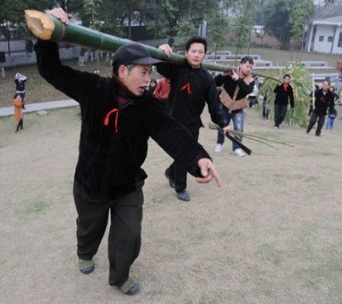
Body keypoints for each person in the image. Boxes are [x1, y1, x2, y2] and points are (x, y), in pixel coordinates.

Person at [35, 8, 222, 296]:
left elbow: (171, 131)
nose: (148, 78)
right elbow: (51, 70)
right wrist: (48, 36)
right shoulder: (93, 89)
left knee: (130, 235)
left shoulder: (148, 105)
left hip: (127, 186)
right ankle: (85, 252)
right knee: (89, 227)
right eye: (143, 72)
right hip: (90, 183)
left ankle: (120, 275)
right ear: (122, 71)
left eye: (150, 71)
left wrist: (199, 159)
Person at [156, 36, 227, 202]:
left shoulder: (207, 78)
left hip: (192, 124)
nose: (196, 55)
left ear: (204, 55)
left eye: (200, 52)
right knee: (182, 153)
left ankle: (175, 179)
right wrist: (161, 49)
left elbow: (214, 106)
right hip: (173, 121)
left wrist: (223, 123)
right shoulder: (177, 68)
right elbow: (159, 65)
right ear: (186, 52)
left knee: (185, 154)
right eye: (193, 51)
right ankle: (177, 181)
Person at [214, 57, 255, 157]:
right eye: (247, 66)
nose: (249, 69)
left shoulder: (251, 80)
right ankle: (219, 143)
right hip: (225, 106)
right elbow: (215, 82)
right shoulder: (229, 73)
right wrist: (222, 75)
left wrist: (238, 80)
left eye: (250, 67)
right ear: (240, 65)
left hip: (238, 109)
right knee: (222, 126)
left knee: (239, 128)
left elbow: (247, 90)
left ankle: (236, 148)